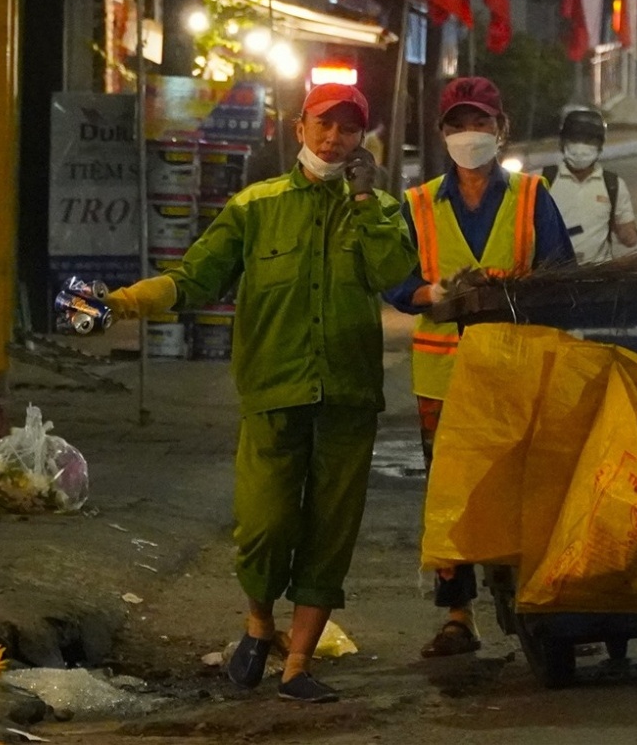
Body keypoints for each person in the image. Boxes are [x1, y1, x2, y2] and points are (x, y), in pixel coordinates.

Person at [102, 82, 414, 705]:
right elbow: (195, 277)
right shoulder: (255, 206)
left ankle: (297, 664)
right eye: (325, 125)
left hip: (349, 396)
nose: (334, 139)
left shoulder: (378, 209)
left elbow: (394, 275)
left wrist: (366, 199)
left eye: (348, 129)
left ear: (362, 140)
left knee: (331, 531)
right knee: (265, 525)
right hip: (274, 391)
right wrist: (123, 303)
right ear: (299, 128)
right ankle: (258, 626)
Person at [385, 77, 574, 658]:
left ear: (501, 130)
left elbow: (561, 271)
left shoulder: (531, 196)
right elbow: (396, 282)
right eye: (459, 125)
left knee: (522, 486)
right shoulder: (416, 205)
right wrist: (431, 294)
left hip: (516, 369)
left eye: (482, 124)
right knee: (452, 494)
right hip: (443, 378)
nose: (471, 135)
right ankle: (457, 616)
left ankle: (528, 600)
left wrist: (515, 289)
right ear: (443, 135)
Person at [542, 107, 637, 264]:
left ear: (600, 146)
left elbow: (630, 238)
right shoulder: (543, 179)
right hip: (552, 276)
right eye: (574, 140)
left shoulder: (613, 185)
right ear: (562, 143)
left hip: (598, 277)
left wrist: (625, 230)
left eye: (589, 141)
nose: (581, 147)